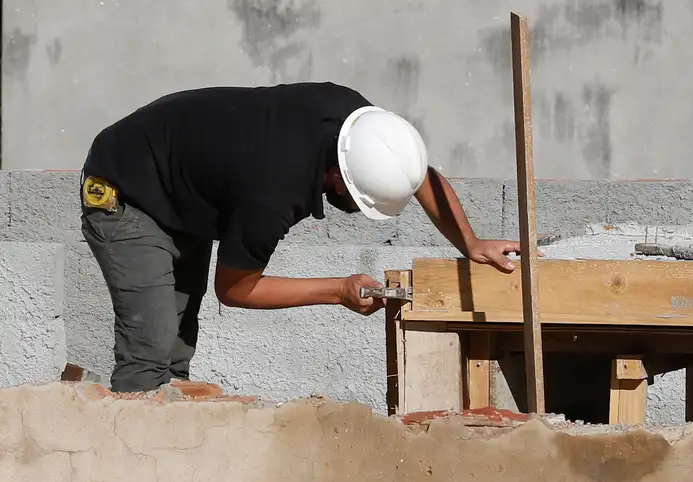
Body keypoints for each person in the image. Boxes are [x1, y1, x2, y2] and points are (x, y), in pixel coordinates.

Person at [79, 81, 521, 394]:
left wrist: (469, 242)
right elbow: (234, 289)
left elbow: (415, 172)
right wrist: (338, 291)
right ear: (336, 173)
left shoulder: (360, 123)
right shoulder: (272, 194)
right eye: (357, 199)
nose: (356, 209)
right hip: (126, 190)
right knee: (151, 352)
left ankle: (169, 463)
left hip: (182, 181)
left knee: (175, 354)